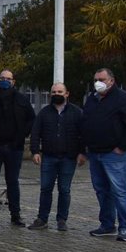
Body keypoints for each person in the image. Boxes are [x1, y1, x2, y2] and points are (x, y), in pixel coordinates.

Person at [82, 67, 126, 242]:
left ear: (111, 81)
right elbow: (85, 123)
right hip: (95, 153)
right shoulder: (92, 99)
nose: (97, 83)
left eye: (101, 79)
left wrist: (122, 147)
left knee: (120, 191)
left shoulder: (123, 98)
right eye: (95, 80)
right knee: (102, 191)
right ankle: (107, 225)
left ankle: (125, 228)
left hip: (114, 154)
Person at [0, 69, 35, 227]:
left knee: (13, 182)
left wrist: (22, 135)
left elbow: (31, 119)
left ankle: (15, 215)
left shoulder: (22, 99)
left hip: (14, 146)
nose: (5, 81)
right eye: (2, 78)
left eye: (8, 79)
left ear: (13, 82)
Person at [28, 83, 84, 231]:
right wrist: (35, 151)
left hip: (69, 158)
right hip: (49, 157)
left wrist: (82, 153)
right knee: (45, 188)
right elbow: (35, 133)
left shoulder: (77, 112)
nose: (56, 94)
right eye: (53, 92)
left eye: (60, 91)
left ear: (67, 94)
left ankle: (62, 220)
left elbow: (83, 134)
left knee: (64, 190)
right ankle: (42, 219)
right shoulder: (44, 113)